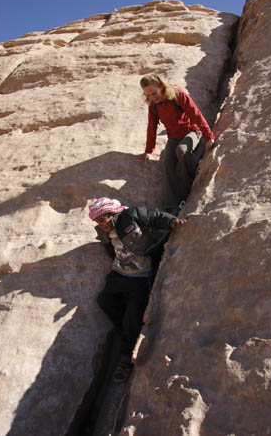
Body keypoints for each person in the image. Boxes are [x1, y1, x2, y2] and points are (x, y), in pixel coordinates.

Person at [89, 196, 186, 382]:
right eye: (97, 222)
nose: (101, 225)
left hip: (140, 278)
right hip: (118, 274)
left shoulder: (130, 215)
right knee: (105, 301)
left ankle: (125, 360)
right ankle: (126, 330)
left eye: (102, 219)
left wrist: (173, 221)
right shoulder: (104, 232)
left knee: (133, 316)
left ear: (112, 214)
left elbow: (155, 216)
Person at [138, 74, 215, 215]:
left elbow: (196, 114)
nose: (152, 97)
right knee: (168, 161)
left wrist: (208, 137)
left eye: (154, 93)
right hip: (174, 136)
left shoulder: (177, 95)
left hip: (192, 132)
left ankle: (187, 190)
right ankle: (172, 203)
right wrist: (149, 150)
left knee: (182, 151)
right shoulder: (153, 106)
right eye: (148, 95)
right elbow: (152, 126)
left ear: (161, 87)